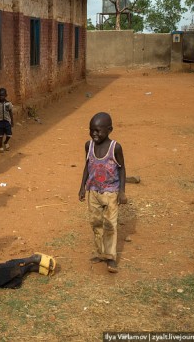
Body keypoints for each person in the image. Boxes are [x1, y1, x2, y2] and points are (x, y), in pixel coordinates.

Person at [78, 112, 127, 273]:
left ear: (109, 129)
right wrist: (82, 187)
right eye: (91, 130)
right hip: (93, 191)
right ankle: (101, 253)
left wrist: (122, 192)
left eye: (98, 131)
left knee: (110, 224)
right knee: (96, 223)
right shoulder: (89, 145)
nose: (94, 134)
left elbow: (122, 169)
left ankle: (111, 257)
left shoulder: (115, 148)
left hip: (111, 192)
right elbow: (87, 165)